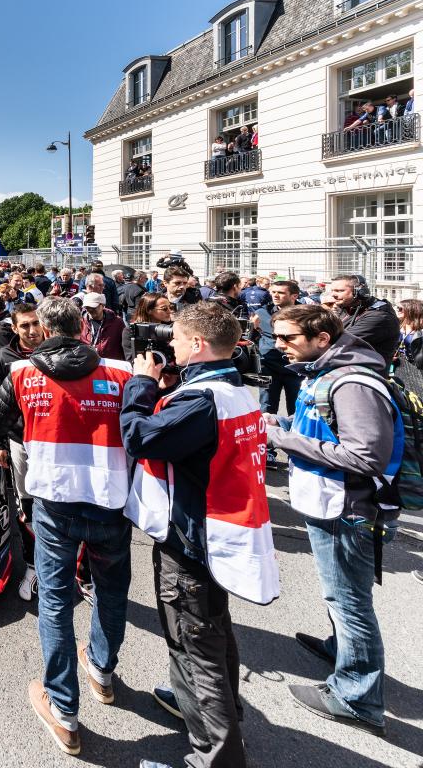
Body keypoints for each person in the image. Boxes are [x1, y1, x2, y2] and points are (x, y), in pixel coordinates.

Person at [122, 302, 279, 768]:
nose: (169, 343)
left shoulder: (201, 401)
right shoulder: (234, 389)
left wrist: (141, 384)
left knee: (195, 650)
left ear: (197, 343)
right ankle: (220, 717)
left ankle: (214, 757)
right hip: (219, 534)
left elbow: (139, 436)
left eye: (175, 336)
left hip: (193, 541)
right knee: (214, 635)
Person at [0, 297, 134, 758]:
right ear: (82, 328)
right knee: (110, 590)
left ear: (45, 331)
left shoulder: (23, 373)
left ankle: (65, 710)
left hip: (55, 502)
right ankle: (102, 671)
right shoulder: (122, 372)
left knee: (55, 599)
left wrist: (30, 419)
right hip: (110, 500)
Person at [264, 304, 402, 737]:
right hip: (331, 502)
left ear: (322, 339)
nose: (279, 345)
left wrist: (282, 438)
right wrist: (281, 421)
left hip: (349, 509)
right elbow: (320, 424)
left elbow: (365, 456)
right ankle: (342, 648)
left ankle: (357, 697)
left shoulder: (352, 382)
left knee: (348, 601)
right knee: (342, 596)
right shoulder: (327, 370)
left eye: (288, 338)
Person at [252, 280, 301, 466]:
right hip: (269, 367)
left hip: (295, 369)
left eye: (280, 292)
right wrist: (253, 329)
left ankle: (295, 451)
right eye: (273, 292)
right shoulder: (262, 312)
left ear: (294, 296)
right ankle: (266, 450)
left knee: (296, 410)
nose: (275, 295)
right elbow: (252, 337)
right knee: (267, 408)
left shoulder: (304, 313)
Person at [328, 275, 399, 371]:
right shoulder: (347, 308)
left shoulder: (380, 316)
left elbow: (337, 342)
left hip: (366, 374)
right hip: (346, 369)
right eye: (332, 290)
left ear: (360, 292)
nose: (333, 295)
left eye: (339, 291)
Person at [79, 292, 125, 360]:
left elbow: (124, 346)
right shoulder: (81, 322)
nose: (90, 310)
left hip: (110, 364)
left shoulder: (117, 323)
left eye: (93, 307)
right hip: (87, 362)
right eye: (87, 307)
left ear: (102, 305)